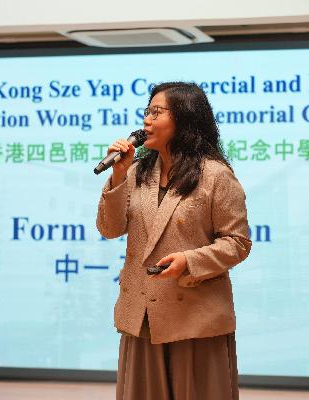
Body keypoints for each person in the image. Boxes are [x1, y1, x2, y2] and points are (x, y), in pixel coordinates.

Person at [96, 81, 252, 400]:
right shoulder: (136, 171)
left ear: (185, 118)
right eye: (147, 111)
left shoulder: (216, 175)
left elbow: (237, 242)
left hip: (194, 316)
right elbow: (109, 229)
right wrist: (118, 175)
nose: (147, 120)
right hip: (142, 314)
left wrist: (189, 261)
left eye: (157, 112)